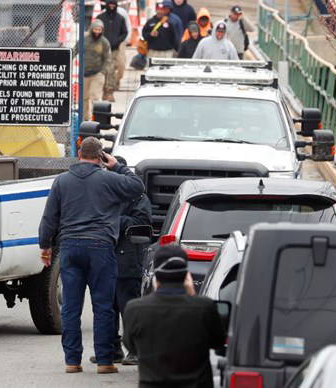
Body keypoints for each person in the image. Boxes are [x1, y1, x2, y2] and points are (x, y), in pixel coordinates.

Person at [38, 137, 145, 375]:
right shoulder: (110, 178)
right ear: (101, 157)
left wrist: (45, 246)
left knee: (71, 307)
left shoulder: (62, 181)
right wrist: (117, 165)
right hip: (100, 248)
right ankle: (105, 361)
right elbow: (138, 187)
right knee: (103, 306)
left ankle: (72, 361)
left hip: (71, 248)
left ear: (78, 154)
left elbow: (49, 218)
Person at [123, 244, 226, 388]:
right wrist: (193, 296)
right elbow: (218, 342)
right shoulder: (204, 307)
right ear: (187, 275)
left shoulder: (135, 309)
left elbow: (131, 346)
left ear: (156, 276)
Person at [112, 194, 152, 366]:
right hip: (108, 259)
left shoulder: (138, 197)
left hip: (128, 261)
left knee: (129, 308)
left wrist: (111, 220)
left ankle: (135, 350)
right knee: (107, 309)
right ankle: (112, 350)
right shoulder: (105, 193)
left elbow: (141, 223)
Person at [98, 0, 129, 101]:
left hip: (115, 49)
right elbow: (95, 31)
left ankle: (109, 91)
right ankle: (102, 91)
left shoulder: (120, 18)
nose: (111, 6)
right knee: (103, 71)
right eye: (110, 4)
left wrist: (118, 41)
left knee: (111, 70)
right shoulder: (101, 17)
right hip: (102, 49)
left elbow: (124, 32)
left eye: (113, 5)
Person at [83, 19, 111, 117]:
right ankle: (85, 119)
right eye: (95, 29)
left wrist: (103, 71)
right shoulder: (85, 40)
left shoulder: (104, 42)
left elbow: (107, 58)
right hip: (85, 73)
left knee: (95, 97)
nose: (97, 32)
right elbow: (75, 50)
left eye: (99, 30)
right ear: (92, 29)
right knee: (84, 98)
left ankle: (96, 119)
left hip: (97, 73)